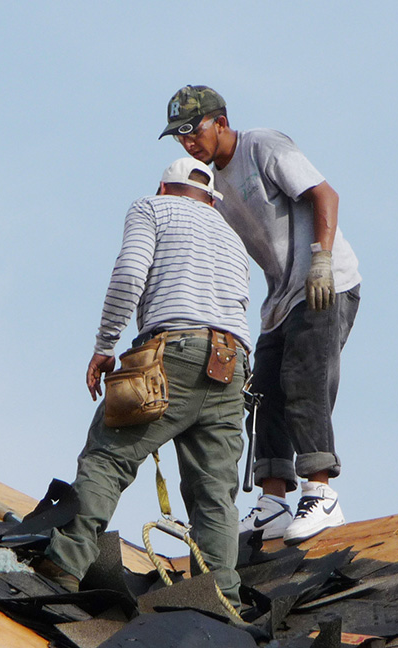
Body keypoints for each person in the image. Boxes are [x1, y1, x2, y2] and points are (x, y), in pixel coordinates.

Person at [36, 157, 251, 607]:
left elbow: (131, 272)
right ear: (213, 199)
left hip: (175, 351)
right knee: (215, 493)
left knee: (108, 456)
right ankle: (220, 604)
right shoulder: (232, 237)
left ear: (163, 186)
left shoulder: (152, 208)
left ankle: (64, 563)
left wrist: (105, 343)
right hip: (233, 365)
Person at [160, 85, 361, 546]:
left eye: (194, 130)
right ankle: (272, 502)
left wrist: (322, 260)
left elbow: (325, 195)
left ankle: (322, 492)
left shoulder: (262, 146)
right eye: (180, 137)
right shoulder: (213, 187)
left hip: (325, 282)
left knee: (304, 379)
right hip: (281, 300)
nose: (189, 143)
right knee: (266, 394)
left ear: (221, 122)